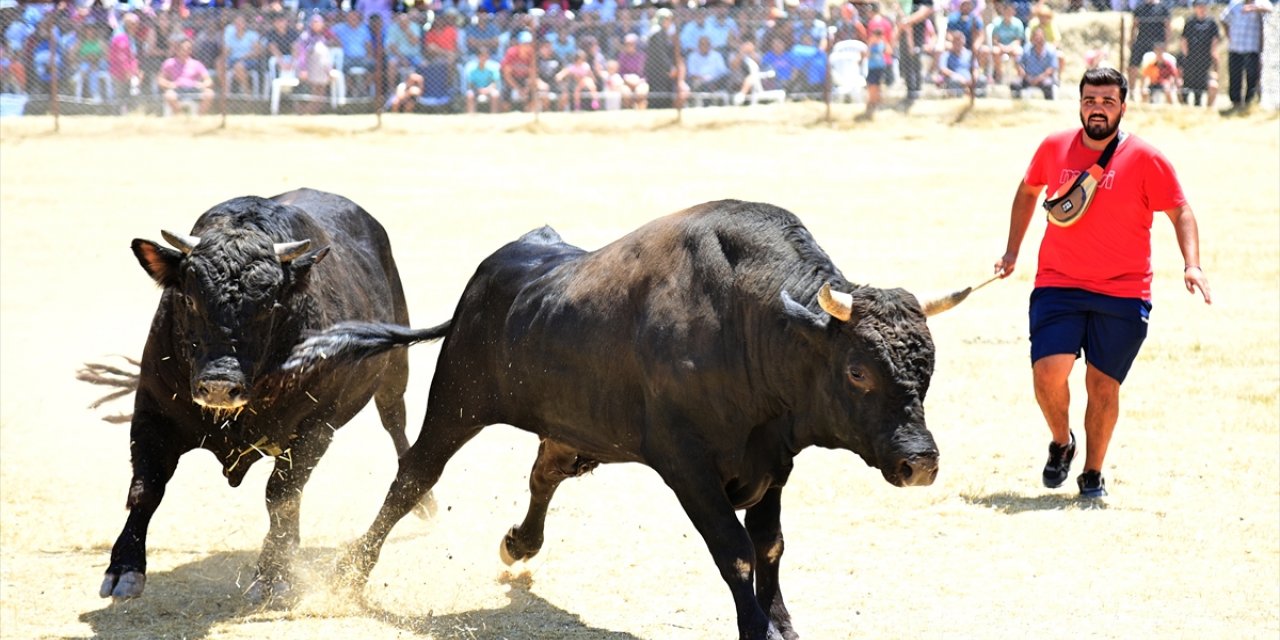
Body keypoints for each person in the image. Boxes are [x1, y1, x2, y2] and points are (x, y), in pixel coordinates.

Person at [994, 67, 1212, 499]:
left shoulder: (1146, 158)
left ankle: (1092, 473)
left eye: (1107, 101)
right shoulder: (1054, 147)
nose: (1098, 109)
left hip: (1124, 291)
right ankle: (1061, 442)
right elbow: (1027, 191)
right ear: (1079, 103)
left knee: (1102, 384)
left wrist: (1193, 264)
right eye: (1091, 100)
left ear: (1122, 107)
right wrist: (1013, 251)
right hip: (1059, 283)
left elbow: (1181, 211)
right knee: (1048, 371)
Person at [1218, 0, 1272, 116]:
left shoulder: (1262, 3)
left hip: (1251, 47)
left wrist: (1254, 8)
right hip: (1235, 47)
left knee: (1252, 76)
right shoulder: (1234, 4)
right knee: (1235, 75)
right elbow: (1223, 19)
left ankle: (1249, 102)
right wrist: (1229, 35)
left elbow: (1270, 9)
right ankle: (1235, 102)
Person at [157, 37, 214, 115]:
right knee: (169, 95)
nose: (185, 51)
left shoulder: (196, 64)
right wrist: (170, 84)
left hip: (194, 89)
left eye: (188, 48)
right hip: (177, 89)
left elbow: (209, 80)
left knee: (209, 93)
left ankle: (199, 117)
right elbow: (160, 80)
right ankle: (180, 116)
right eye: (183, 48)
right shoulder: (169, 63)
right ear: (177, 50)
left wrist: (202, 85)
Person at [1179, 0, 1220, 108]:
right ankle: (1185, 107)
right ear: (1195, 8)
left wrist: (1214, 58)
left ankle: (1202, 108)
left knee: (1202, 87)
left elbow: (1215, 41)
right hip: (1191, 60)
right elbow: (1184, 40)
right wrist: (1185, 57)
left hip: (1205, 60)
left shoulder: (1211, 23)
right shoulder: (1190, 22)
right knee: (1186, 85)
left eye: (1203, 6)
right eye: (1199, 6)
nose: (1201, 8)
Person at [1126, 0, 1169, 95]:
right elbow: (1134, 25)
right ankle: (1131, 91)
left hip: (1157, 43)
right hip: (1141, 40)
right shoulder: (1140, 8)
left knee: (1155, 67)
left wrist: (1166, 43)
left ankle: (1149, 92)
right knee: (1133, 66)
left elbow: (1167, 26)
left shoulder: (1163, 8)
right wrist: (1131, 39)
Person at [108, 12, 143, 111]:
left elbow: (133, 56)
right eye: (135, 25)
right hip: (119, 71)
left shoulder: (130, 36)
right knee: (121, 94)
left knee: (129, 92)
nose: (137, 27)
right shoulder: (120, 36)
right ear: (129, 25)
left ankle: (127, 111)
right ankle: (118, 113)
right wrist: (129, 72)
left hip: (129, 70)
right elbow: (122, 58)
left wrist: (136, 71)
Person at [1011, 25, 1057, 99]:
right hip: (1028, 77)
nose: (1038, 40)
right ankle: (1017, 104)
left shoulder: (1050, 50)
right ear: (1033, 39)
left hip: (1043, 78)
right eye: (1036, 38)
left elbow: (1051, 69)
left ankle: (1049, 105)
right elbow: (1019, 63)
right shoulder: (1027, 48)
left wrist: (1038, 78)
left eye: (1040, 38)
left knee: (1048, 85)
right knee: (1015, 84)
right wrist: (1025, 75)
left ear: (1044, 38)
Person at [223, 13, 263, 96]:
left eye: (241, 22)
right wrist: (225, 56)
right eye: (236, 23)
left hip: (249, 60)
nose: (238, 25)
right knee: (222, 63)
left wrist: (245, 56)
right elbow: (226, 52)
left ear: (245, 24)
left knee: (239, 66)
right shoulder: (231, 36)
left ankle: (246, 91)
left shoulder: (252, 35)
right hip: (233, 60)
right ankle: (226, 93)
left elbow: (258, 51)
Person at [463, 46, 502, 113]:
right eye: (481, 56)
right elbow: (470, 84)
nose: (484, 58)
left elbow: (494, 83)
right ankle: (471, 115)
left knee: (495, 94)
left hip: (489, 89)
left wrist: (487, 89)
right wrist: (479, 90)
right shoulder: (471, 68)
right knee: (470, 94)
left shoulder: (493, 67)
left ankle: (494, 114)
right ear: (477, 57)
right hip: (476, 90)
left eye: (486, 56)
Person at [1139, 40, 1179, 104]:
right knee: (1145, 92)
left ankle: (1170, 106)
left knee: (1167, 90)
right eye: (1157, 51)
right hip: (1154, 83)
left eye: (1160, 51)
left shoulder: (1168, 64)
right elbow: (1144, 76)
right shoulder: (1151, 64)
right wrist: (1143, 87)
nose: (1159, 53)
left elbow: (1174, 76)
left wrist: (1173, 85)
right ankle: (1144, 107)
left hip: (1164, 83)